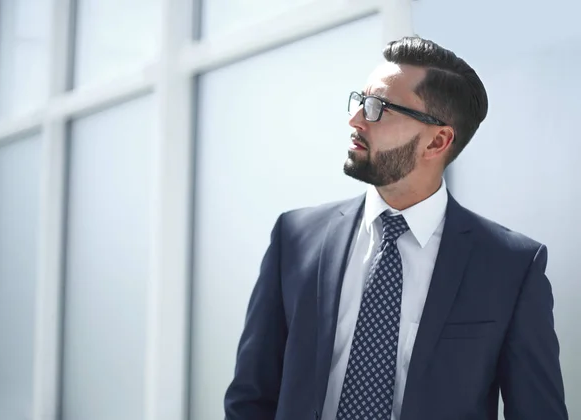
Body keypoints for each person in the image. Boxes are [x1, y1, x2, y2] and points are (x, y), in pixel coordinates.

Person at [223, 36, 568, 420]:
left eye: (378, 109)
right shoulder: (295, 238)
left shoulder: (510, 267)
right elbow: (251, 399)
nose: (355, 120)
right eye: (360, 101)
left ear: (437, 141)